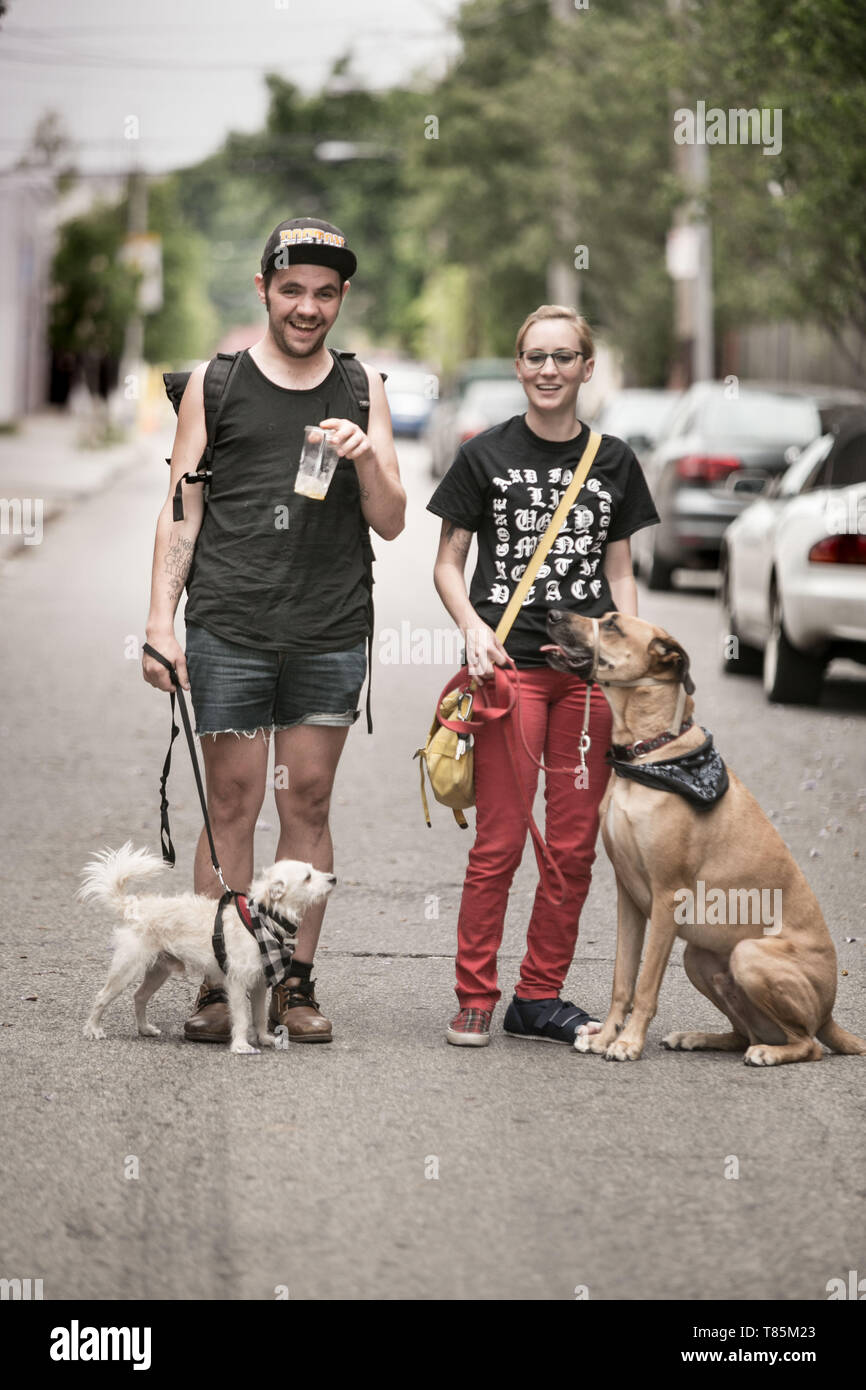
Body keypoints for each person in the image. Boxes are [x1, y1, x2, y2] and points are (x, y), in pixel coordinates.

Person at [142, 217, 405, 1044]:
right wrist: (160, 620)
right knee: (230, 802)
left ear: (342, 299)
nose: (307, 307)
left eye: (324, 294)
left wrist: (366, 458)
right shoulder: (213, 386)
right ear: (264, 290)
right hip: (229, 622)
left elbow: (393, 522)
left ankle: (293, 983)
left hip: (328, 627)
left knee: (311, 802)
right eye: (292, 290)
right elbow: (183, 509)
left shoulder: (365, 389)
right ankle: (220, 984)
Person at [427, 304, 659, 1047]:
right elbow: (446, 563)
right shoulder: (483, 455)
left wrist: (631, 662)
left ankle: (539, 996)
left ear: (587, 368)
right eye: (535, 357)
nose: (549, 370)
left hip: (588, 682)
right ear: (519, 365)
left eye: (564, 357)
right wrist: (471, 629)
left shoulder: (615, 460)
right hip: (512, 674)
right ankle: (474, 994)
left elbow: (618, 571)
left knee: (572, 847)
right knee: (498, 841)